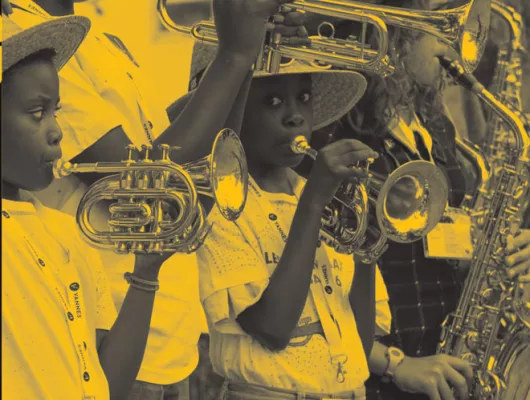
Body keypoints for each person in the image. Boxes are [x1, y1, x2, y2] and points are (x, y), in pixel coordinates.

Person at [3, 1, 308, 398]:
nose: (55, 129)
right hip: (116, 342)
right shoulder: (23, 38)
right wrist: (234, 55)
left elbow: (190, 163)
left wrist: (249, 53)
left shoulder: (98, 40)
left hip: (167, 341)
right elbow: (149, 187)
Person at [315, 0, 530, 399]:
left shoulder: (433, 122)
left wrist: (497, 252)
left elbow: (443, 235)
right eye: (440, 30)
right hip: (382, 374)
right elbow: (319, 277)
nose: (457, 46)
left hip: (445, 361)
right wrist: (394, 364)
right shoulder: (341, 128)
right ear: (397, 35)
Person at [188, 41, 392, 399]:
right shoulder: (220, 207)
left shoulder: (326, 198)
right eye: (272, 101)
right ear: (232, 112)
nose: (295, 116)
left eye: (304, 97)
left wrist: (366, 248)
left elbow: (358, 349)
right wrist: (313, 202)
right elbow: (272, 328)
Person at [1, 16, 177, 400]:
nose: (57, 131)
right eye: (37, 113)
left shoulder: (67, 233)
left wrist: (146, 273)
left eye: (56, 111)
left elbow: (106, 384)